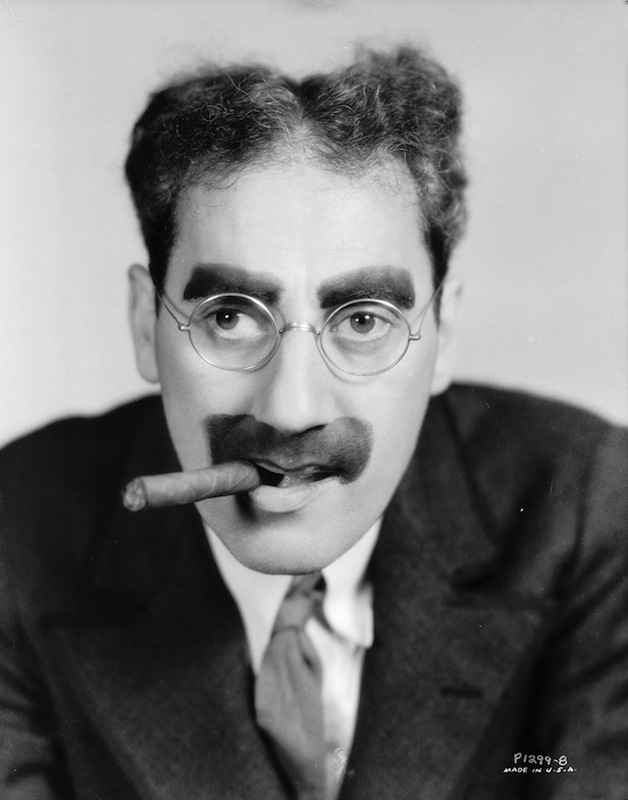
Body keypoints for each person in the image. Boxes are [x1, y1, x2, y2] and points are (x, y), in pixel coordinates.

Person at [0, 45, 626, 800]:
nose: (291, 407)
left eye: (363, 319)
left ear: (445, 332)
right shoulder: (17, 524)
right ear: (144, 324)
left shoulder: (590, 507)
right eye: (229, 316)